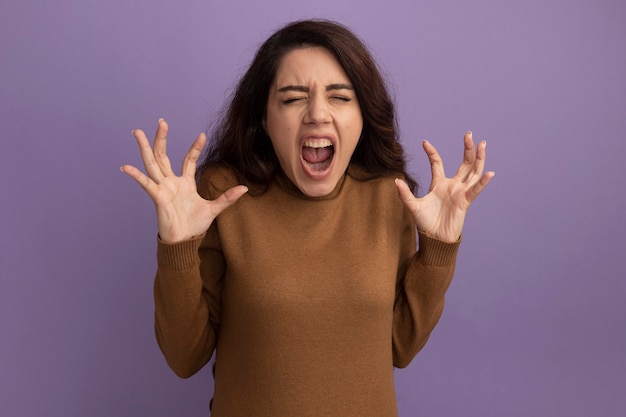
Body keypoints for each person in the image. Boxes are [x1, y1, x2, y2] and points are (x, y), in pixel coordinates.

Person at [121, 19, 493, 417]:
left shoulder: (389, 195)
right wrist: (177, 247)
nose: (317, 113)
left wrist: (438, 249)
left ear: (363, 116)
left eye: (340, 97)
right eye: (293, 98)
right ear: (264, 118)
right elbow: (185, 358)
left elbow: (399, 348)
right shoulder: (222, 195)